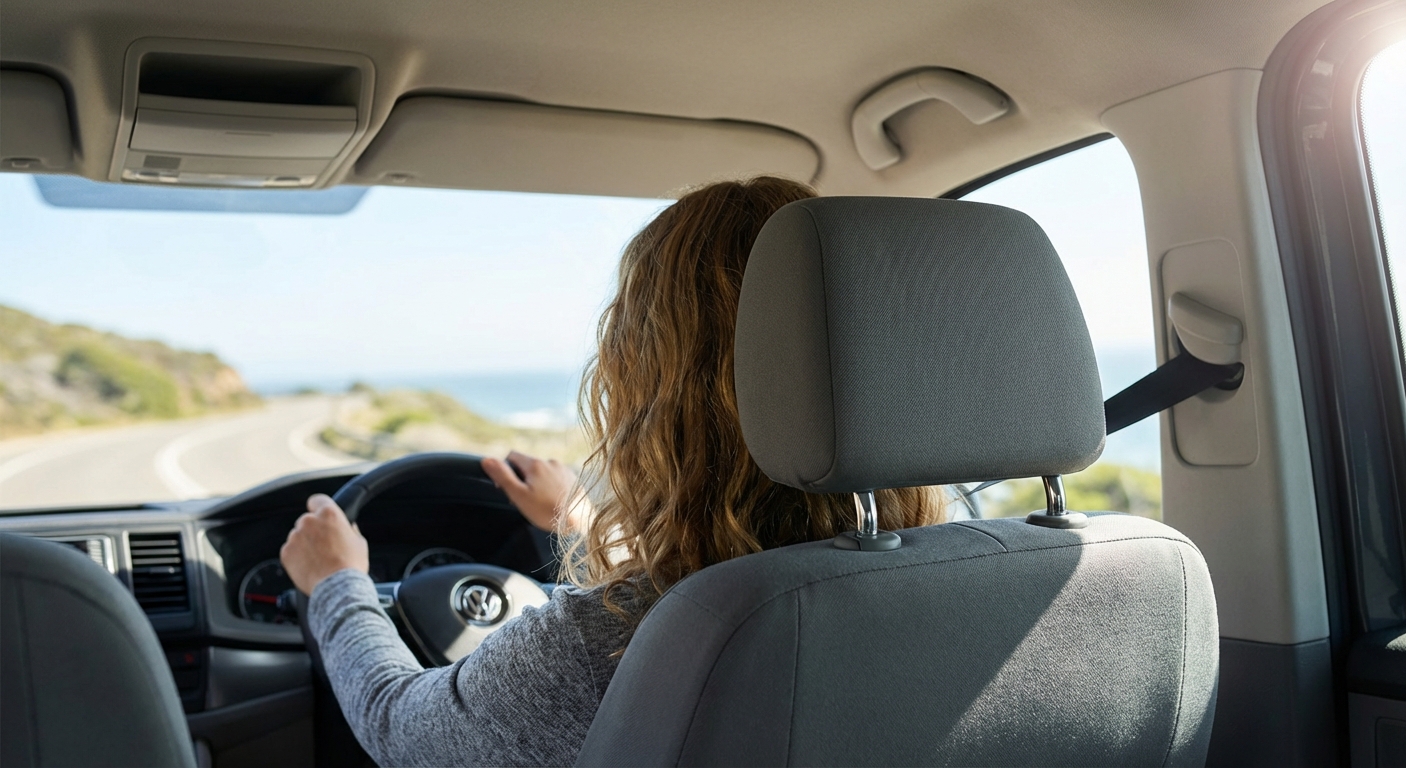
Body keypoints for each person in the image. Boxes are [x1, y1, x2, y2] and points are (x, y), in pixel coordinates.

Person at [280, 176, 948, 767]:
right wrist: (581, 523)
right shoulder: (979, 588)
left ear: (648, 383)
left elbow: (398, 726)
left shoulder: (613, 646)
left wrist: (337, 583)